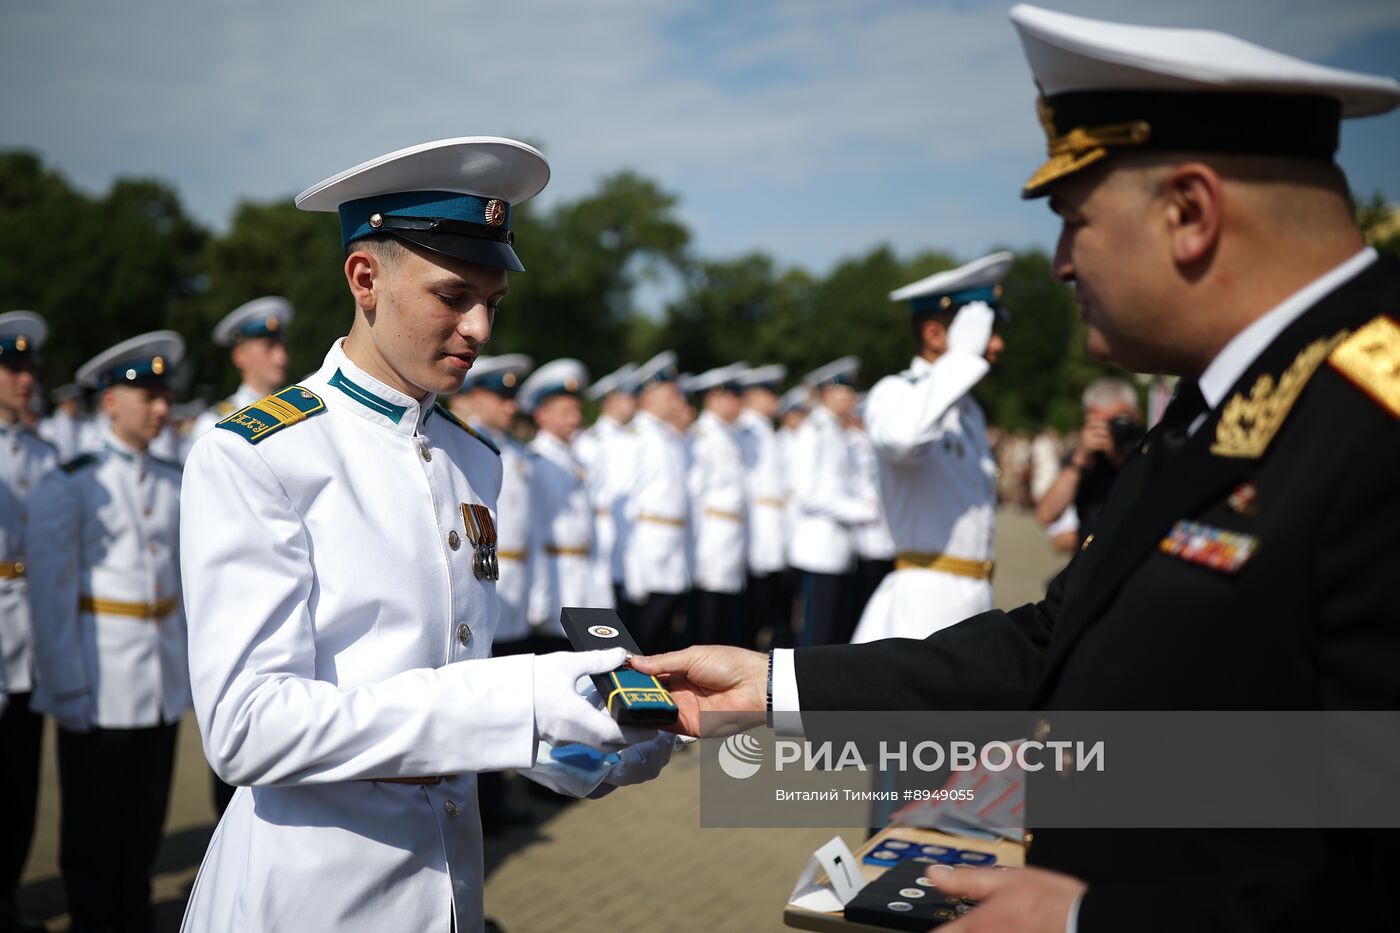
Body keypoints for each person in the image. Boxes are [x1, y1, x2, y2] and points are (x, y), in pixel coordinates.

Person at [634, 5, 1400, 930]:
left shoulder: (1371, 424)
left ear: (1190, 213)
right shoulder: (1214, 405)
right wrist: (777, 686)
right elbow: (1054, 637)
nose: (1061, 264)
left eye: (1075, 221)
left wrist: (1089, 921)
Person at [178, 138, 670, 933]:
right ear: (364, 278)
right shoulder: (261, 452)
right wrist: (520, 700)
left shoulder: (476, 457)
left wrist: (576, 747)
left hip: (447, 879)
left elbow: (446, 684)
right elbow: (245, 729)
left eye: (493, 303)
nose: (478, 326)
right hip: (310, 888)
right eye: (452, 294)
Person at [28, 331, 189, 933]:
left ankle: (134, 911)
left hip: (159, 678)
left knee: (145, 815)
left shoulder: (174, 477)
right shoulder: (70, 481)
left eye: (163, 394)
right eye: (145, 395)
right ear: (109, 402)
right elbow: (51, 596)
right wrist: (65, 686)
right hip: (99, 681)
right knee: (93, 823)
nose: (160, 407)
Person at [849, 252, 1010, 644]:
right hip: (925, 600)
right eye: (985, 332)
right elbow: (904, 439)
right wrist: (961, 360)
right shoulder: (896, 392)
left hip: (974, 594)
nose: (998, 345)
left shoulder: (968, 409)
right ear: (935, 335)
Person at [0, 312, 56, 933]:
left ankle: (9, 898)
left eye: (27, 369)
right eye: (11, 368)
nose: (23, 379)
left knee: (19, 788)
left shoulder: (46, 453)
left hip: (30, 641)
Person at [521, 357, 613, 647]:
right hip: (553, 575)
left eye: (576, 410)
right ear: (542, 416)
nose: (574, 419)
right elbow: (533, 529)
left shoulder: (575, 460)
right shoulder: (535, 461)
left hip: (582, 575)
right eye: (565, 412)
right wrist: (538, 596)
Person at [787, 357, 877, 646]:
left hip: (838, 546)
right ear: (828, 393)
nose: (852, 398)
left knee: (834, 631)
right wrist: (858, 511)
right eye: (846, 391)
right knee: (817, 632)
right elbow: (807, 494)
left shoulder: (836, 431)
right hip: (819, 547)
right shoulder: (813, 431)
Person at [620, 351, 692, 653]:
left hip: (670, 551)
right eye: (669, 392)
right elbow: (623, 506)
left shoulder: (667, 437)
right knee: (642, 642)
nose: (675, 398)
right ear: (649, 394)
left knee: (662, 639)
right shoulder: (634, 438)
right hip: (646, 555)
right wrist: (630, 569)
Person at [1034, 378, 1143, 550]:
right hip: (1092, 560)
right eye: (1100, 424)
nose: (1110, 431)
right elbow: (1046, 515)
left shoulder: (1152, 450)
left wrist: (1120, 458)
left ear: (1136, 416)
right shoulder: (1087, 460)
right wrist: (1079, 459)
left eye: (1117, 422)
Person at [686, 363, 750, 645]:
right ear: (714, 398)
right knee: (707, 620)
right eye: (733, 396)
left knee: (726, 619)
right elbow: (695, 494)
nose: (739, 403)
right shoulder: (703, 436)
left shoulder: (727, 435)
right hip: (711, 537)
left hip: (730, 536)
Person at [186, 296, 294, 454]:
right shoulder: (216, 424)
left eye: (283, 347)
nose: (281, 358)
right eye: (269, 347)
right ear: (240, 356)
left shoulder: (298, 413)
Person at [574, 362, 638, 612]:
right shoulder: (592, 440)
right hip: (603, 531)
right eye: (627, 397)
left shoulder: (630, 438)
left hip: (627, 533)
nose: (633, 402)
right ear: (610, 399)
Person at [735, 364, 789, 648]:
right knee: (753, 606)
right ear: (754, 395)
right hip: (758, 527)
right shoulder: (745, 429)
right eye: (769, 393)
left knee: (769, 602)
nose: (775, 400)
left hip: (773, 526)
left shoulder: (765, 429)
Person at [37, 383, 84, 462]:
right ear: (62, 404)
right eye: (71, 402)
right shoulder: (47, 426)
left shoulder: (80, 424)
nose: (75, 406)